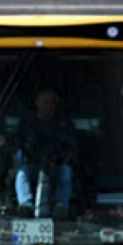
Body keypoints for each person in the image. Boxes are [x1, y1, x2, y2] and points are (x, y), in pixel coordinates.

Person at [13, 85, 77, 219]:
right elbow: (17, 146)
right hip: (32, 164)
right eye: (45, 102)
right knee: (21, 173)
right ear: (37, 102)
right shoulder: (26, 124)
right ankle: (25, 205)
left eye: (52, 102)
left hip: (56, 164)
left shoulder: (64, 124)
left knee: (66, 171)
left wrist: (58, 160)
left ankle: (61, 207)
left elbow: (71, 149)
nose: (49, 106)